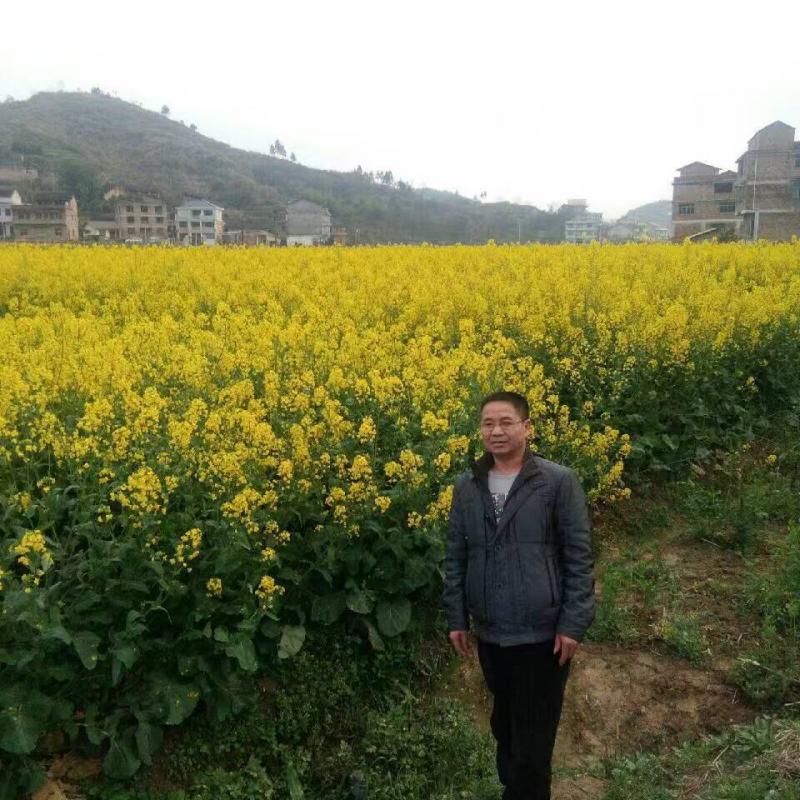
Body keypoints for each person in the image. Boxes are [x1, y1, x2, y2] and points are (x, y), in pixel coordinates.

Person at [442, 390, 595, 800]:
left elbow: (579, 557)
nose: (496, 431)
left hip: (542, 635)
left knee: (532, 743)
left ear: (527, 427)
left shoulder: (557, 482)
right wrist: (457, 617)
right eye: (488, 423)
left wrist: (573, 624)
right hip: (491, 632)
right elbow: (455, 555)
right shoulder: (467, 486)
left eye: (506, 422)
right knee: (505, 728)